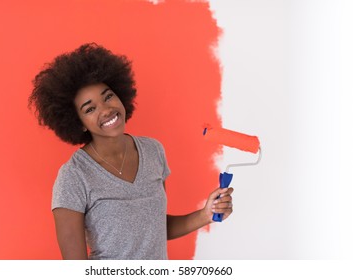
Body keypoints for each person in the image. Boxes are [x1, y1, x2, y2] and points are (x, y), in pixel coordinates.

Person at [28, 43, 234, 260]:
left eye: (108, 96)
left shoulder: (153, 151)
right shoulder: (73, 176)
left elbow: (154, 227)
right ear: (78, 123)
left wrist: (205, 214)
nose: (106, 110)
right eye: (90, 109)